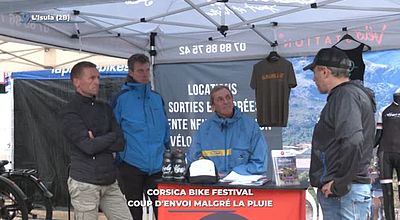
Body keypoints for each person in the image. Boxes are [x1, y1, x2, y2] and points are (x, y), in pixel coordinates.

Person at [303, 47, 376, 219]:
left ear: (325, 71)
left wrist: (339, 184)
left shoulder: (345, 96)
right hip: (348, 191)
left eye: (315, 73)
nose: (314, 79)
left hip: (345, 194)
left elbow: (353, 140)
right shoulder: (352, 94)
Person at [61, 61, 132, 220]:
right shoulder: (70, 110)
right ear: (77, 82)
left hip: (110, 181)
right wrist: (109, 137)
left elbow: (120, 142)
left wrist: (99, 139)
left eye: (98, 77)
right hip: (85, 183)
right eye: (92, 78)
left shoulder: (105, 108)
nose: (97, 82)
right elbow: (88, 147)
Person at [112, 54, 169, 220]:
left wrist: (166, 150)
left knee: (163, 212)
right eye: (140, 71)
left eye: (147, 70)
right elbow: (113, 130)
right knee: (133, 214)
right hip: (131, 166)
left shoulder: (157, 98)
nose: (145, 74)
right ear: (130, 72)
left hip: (157, 167)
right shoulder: (120, 99)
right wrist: (121, 157)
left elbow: (165, 128)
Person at [187, 85, 268, 177]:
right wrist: (211, 173)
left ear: (233, 101)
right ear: (213, 107)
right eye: (220, 99)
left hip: (242, 187)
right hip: (213, 186)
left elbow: (259, 163)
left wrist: (232, 175)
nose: (225, 102)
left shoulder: (251, 127)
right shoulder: (204, 129)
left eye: (228, 97)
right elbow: (193, 159)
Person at [375, 90, 400, 220]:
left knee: (388, 191)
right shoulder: (384, 110)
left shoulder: (384, 110)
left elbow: (377, 137)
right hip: (385, 155)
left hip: (385, 154)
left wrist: (367, 148)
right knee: (387, 191)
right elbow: (378, 136)